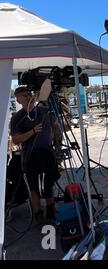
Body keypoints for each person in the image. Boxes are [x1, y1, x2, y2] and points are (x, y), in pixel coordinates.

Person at [10, 86, 59, 221]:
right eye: (24, 96)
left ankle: (51, 209)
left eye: (29, 94)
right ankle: (38, 214)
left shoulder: (43, 111)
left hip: (47, 153)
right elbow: (15, 140)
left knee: (49, 183)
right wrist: (32, 131)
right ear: (19, 100)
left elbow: (56, 127)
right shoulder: (17, 118)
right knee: (34, 187)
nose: (28, 97)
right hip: (30, 156)